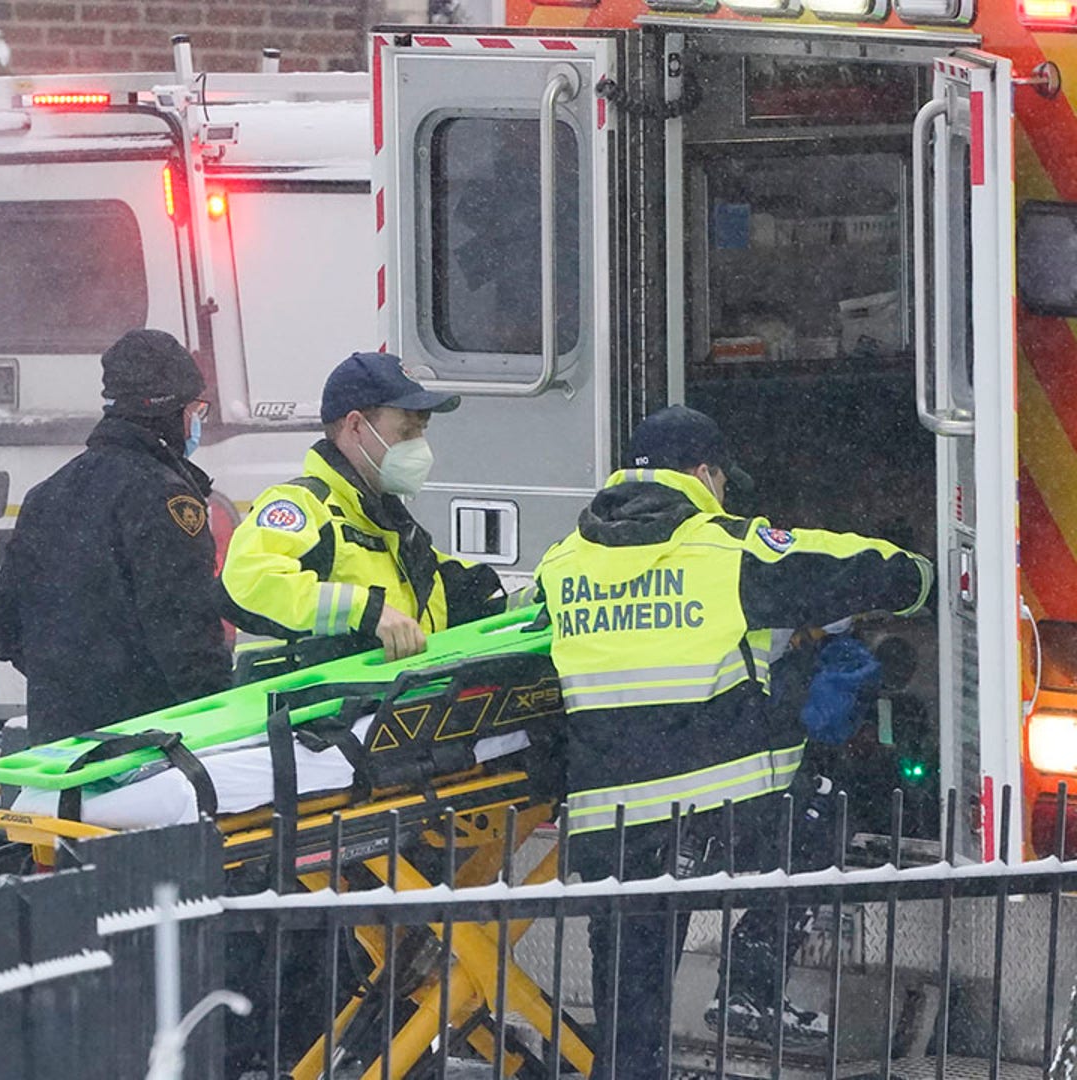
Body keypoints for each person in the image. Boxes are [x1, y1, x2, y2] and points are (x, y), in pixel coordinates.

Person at [530, 405, 932, 1080]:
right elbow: (875, 571)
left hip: (613, 829)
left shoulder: (562, 562)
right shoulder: (732, 549)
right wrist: (926, 575)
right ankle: (751, 979)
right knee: (822, 817)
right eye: (720, 480)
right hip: (722, 813)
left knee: (631, 1027)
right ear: (704, 473)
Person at [0, 328, 232, 745]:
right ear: (169, 412)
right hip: (146, 750)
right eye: (196, 410)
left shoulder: (45, 494)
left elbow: (5, 634)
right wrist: (220, 720)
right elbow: (187, 637)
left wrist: (72, 684)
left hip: (58, 750)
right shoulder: (167, 498)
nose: (197, 424)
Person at [220, 351, 506, 665]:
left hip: (381, 705)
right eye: (407, 432)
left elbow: (439, 585)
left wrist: (523, 598)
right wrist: (366, 611)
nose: (420, 447)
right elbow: (248, 579)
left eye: (422, 431)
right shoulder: (305, 505)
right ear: (356, 426)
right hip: (313, 708)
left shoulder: (387, 524)